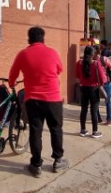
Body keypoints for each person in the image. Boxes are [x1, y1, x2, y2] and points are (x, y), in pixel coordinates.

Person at [8, 27, 68, 177]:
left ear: (29, 39)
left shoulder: (23, 54)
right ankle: (58, 161)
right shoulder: (52, 53)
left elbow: (12, 74)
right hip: (53, 99)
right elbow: (59, 70)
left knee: (35, 131)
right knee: (56, 129)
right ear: (43, 38)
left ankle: (36, 165)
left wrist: (11, 84)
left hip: (32, 99)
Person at [75, 46, 106, 138]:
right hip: (94, 89)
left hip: (83, 88)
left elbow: (76, 75)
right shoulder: (96, 64)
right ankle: (95, 131)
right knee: (94, 110)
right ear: (93, 54)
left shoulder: (79, 63)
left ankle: (83, 130)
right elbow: (101, 78)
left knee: (83, 110)